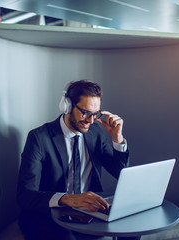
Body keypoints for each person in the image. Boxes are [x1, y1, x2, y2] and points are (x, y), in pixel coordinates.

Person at [17, 80, 135, 240]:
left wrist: (117, 138)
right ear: (67, 106)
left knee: (131, 230)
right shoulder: (39, 138)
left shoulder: (95, 133)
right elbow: (25, 195)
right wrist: (68, 199)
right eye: (85, 112)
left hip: (88, 212)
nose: (91, 120)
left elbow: (120, 172)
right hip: (50, 214)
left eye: (95, 114)